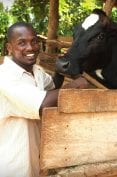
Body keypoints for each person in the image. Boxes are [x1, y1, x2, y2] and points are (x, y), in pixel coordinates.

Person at [0, 22, 89, 177]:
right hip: (13, 165)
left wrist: (61, 70)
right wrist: (76, 84)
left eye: (34, 41)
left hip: (36, 161)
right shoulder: (5, 77)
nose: (30, 48)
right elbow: (42, 103)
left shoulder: (36, 70)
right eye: (22, 43)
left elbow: (52, 86)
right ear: (9, 48)